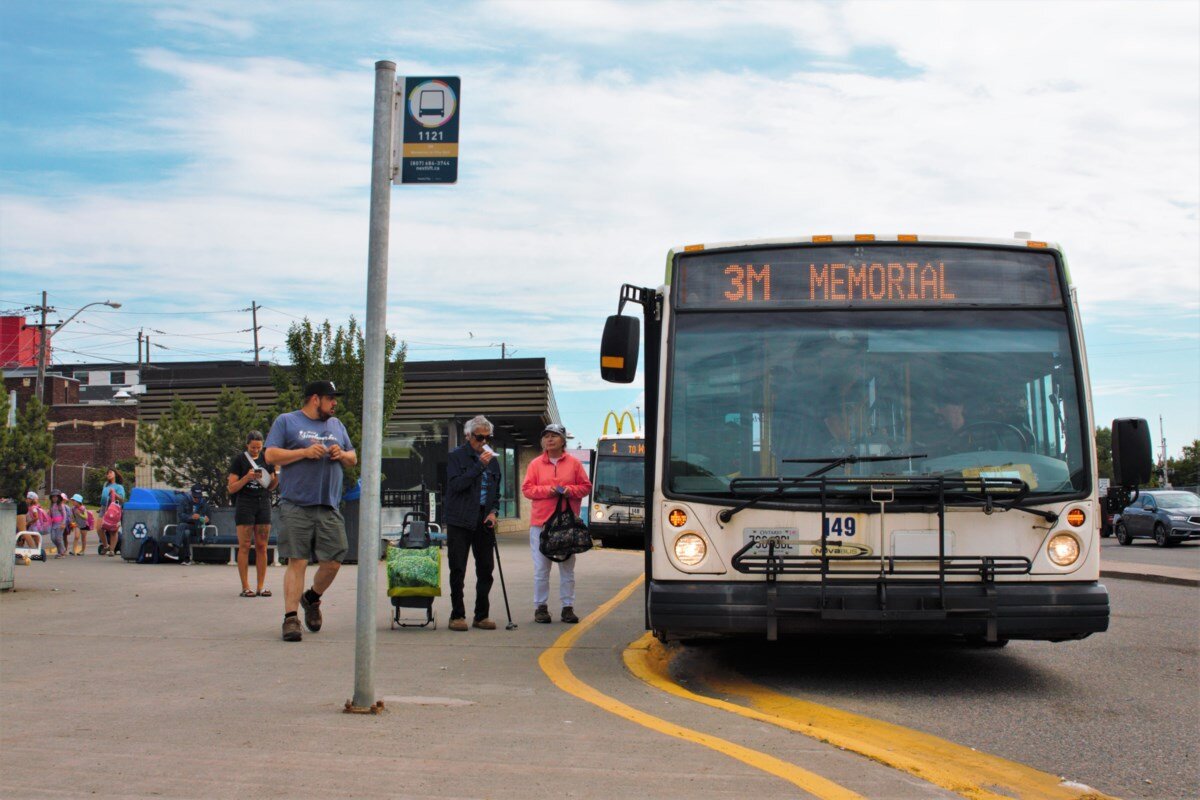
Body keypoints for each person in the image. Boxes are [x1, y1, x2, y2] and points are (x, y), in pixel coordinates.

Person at [264, 380, 356, 643]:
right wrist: (303, 452)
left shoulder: (337, 426)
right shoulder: (287, 421)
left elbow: (353, 457)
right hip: (295, 504)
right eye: (330, 398)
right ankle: (290, 619)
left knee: (334, 561)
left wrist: (342, 454)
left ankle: (312, 598)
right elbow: (270, 456)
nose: (334, 402)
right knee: (298, 560)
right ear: (315, 399)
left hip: (328, 505)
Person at [522, 423, 592, 624]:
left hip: (567, 524)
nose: (549, 439)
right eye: (546, 436)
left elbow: (586, 487)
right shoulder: (535, 464)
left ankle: (567, 607)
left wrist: (569, 490)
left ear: (563, 440)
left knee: (567, 568)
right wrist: (549, 490)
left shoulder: (574, 464)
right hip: (541, 525)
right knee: (541, 569)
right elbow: (527, 490)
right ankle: (540, 607)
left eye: (554, 436)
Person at [443, 415, 502, 632]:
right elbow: (457, 485)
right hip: (459, 518)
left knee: (486, 568)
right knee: (458, 567)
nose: (484, 442)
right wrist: (478, 466)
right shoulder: (456, 456)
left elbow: (496, 490)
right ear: (469, 436)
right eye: (479, 437)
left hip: (483, 518)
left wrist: (494, 511)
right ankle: (457, 615)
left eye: (488, 437)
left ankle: (482, 615)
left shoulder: (493, 459)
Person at [228, 430, 278, 597]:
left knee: (262, 546)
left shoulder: (267, 459)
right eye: (253, 447)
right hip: (245, 504)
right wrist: (247, 478)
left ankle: (261, 586)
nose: (256, 450)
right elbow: (231, 487)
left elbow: (270, 486)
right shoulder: (239, 460)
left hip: (263, 503)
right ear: (247, 445)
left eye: (259, 447)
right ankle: (245, 586)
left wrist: (277, 474)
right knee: (244, 545)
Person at [173, 484, 211, 564]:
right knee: (186, 532)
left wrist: (206, 520)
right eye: (195, 497)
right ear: (191, 494)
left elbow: (209, 520)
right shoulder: (184, 501)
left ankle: (175, 551)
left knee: (182, 526)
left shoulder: (204, 504)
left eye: (199, 497)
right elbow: (180, 515)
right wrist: (191, 517)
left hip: (198, 528)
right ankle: (187, 558)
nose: (197, 499)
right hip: (187, 526)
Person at [98, 469, 126, 556]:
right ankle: (106, 546)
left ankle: (112, 550)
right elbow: (104, 498)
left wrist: (114, 493)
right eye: (107, 473)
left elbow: (122, 499)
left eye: (110, 472)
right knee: (99, 528)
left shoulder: (119, 487)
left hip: (114, 509)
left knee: (113, 531)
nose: (108, 474)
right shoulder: (105, 485)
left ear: (115, 475)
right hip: (104, 509)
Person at [46, 491, 69, 559]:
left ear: (59, 497)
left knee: (58, 538)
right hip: (54, 524)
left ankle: (61, 552)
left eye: (56, 497)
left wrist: (63, 523)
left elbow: (64, 515)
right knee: (53, 538)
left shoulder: (61, 505)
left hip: (60, 524)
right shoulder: (52, 505)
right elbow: (50, 514)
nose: (54, 498)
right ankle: (62, 549)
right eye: (53, 497)